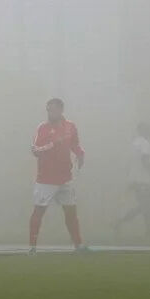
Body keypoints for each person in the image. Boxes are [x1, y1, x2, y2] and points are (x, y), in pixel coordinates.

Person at [29, 98, 89, 254]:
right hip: (46, 178)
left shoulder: (70, 126)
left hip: (65, 177)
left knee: (71, 211)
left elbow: (75, 144)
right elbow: (36, 150)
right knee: (39, 211)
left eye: (53, 109)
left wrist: (80, 154)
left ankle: (78, 245)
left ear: (61, 110)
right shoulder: (43, 128)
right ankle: (32, 247)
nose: (50, 112)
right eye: (48, 109)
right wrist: (52, 144)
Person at [114, 122, 150, 238]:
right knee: (146, 205)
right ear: (144, 131)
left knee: (146, 205)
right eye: (148, 129)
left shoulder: (134, 143)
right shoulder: (145, 144)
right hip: (142, 180)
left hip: (134, 179)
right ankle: (120, 222)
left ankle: (148, 231)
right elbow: (145, 161)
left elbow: (129, 162)